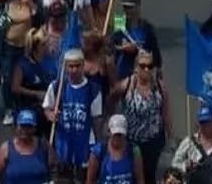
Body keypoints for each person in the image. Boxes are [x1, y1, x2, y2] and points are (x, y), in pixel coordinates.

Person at [45, 48, 103, 181]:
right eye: (71, 66)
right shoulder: (57, 87)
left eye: (77, 66)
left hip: (84, 145)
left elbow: (96, 120)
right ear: (65, 67)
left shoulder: (93, 90)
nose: (74, 70)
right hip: (63, 145)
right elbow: (47, 108)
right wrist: (50, 115)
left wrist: (98, 145)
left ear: (83, 66)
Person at [112, 49, 168, 184]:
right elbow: (110, 101)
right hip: (131, 141)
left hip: (153, 142)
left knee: (150, 178)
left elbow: (166, 113)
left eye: (150, 66)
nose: (147, 69)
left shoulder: (159, 87)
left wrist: (169, 136)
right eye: (143, 66)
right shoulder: (126, 85)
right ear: (136, 67)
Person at [0, 109, 50, 184]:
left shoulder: (43, 146)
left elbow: (55, 170)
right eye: (22, 126)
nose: (25, 130)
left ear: (34, 128)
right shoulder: (6, 149)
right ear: (16, 127)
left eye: (29, 126)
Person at [86, 115, 143, 184]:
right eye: (115, 134)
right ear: (109, 132)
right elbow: (90, 181)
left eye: (120, 135)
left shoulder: (134, 151)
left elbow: (140, 180)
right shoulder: (98, 152)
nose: (117, 138)